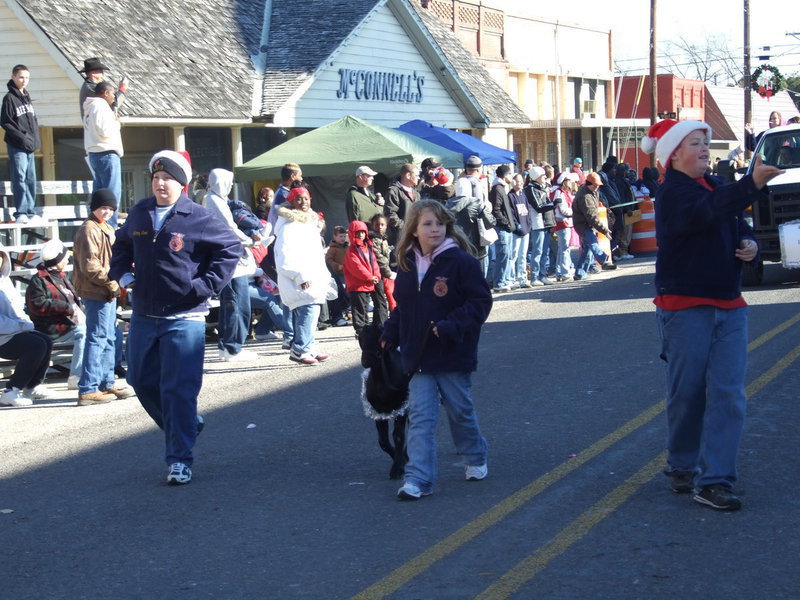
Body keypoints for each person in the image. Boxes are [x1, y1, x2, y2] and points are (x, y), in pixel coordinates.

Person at [640, 119, 782, 511]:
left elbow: (738, 224)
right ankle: (682, 464)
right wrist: (751, 183)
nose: (705, 149)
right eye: (695, 143)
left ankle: (716, 479)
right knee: (687, 394)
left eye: (705, 142)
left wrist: (750, 244)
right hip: (685, 306)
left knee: (729, 393)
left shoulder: (719, 188)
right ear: (673, 154)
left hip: (729, 305)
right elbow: (707, 212)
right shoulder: (672, 193)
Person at [110, 150, 241, 485]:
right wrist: (124, 276)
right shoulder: (140, 213)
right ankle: (184, 426)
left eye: (167, 178)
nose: (160, 183)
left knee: (178, 391)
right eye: (155, 178)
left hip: (186, 316)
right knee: (140, 380)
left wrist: (205, 286)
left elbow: (231, 247)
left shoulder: (197, 216)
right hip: (144, 314)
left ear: (181, 184)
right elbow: (121, 247)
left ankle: (180, 459)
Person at [380, 199, 492, 500]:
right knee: (421, 417)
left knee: (460, 411)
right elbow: (405, 306)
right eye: (427, 224)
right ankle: (418, 480)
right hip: (418, 354)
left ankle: (475, 455)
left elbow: (480, 303)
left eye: (440, 224)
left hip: (452, 351)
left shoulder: (462, 262)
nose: (435, 229)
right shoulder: (405, 263)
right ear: (414, 229)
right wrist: (390, 332)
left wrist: (451, 325)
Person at [72, 188, 133, 406]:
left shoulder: (104, 227)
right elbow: (90, 266)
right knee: (97, 337)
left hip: (107, 289)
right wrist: (112, 283)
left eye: (110, 208)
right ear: (94, 207)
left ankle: (107, 382)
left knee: (109, 336)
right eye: (103, 207)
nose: (107, 212)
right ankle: (88, 387)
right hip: (97, 290)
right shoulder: (89, 229)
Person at [204, 168, 259, 362]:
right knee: (237, 304)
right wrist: (251, 241)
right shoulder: (214, 200)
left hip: (229, 259)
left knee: (232, 304)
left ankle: (227, 346)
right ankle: (233, 347)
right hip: (231, 261)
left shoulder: (215, 199)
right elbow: (229, 228)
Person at [273, 187, 331, 365]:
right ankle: (300, 349)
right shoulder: (289, 226)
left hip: (311, 276)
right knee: (308, 311)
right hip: (301, 278)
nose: (303, 202)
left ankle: (309, 347)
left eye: (306, 198)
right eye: (298, 199)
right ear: (291, 202)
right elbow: (284, 256)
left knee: (311, 312)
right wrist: (299, 276)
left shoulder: (307, 224)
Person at [24, 239, 86, 390]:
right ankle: (75, 376)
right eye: (65, 257)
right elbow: (37, 305)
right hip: (52, 327)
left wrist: (78, 309)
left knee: (103, 330)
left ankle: (100, 372)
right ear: (57, 261)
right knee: (83, 333)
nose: (67, 259)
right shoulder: (38, 280)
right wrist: (67, 308)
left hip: (67, 323)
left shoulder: (61, 276)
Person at [0, 245, 54, 406]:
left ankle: (32, 385)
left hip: (13, 331)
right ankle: (11, 390)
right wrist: (21, 325)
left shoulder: (5, 280)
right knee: (35, 346)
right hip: (3, 336)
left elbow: (17, 309)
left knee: (46, 341)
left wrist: (23, 324)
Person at [2, 64, 41, 225]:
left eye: (27, 77)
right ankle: (21, 212)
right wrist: (23, 138)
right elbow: (6, 122)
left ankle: (31, 211)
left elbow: (33, 121)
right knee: (20, 177)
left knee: (31, 179)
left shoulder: (27, 97)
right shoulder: (9, 98)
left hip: (30, 146)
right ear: (13, 77)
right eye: (21, 77)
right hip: (17, 145)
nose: (24, 80)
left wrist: (35, 139)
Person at [83, 81, 123, 228]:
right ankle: (109, 228)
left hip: (95, 153)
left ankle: (97, 226)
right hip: (106, 153)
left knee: (99, 195)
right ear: (106, 93)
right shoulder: (100, 106)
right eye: (113, 93)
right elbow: (104, 131)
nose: (114, 97)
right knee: (111, 196)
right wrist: (116, 122)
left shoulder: (90, 107)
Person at [343, 219, 388, 337]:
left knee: (364, 307)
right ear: (352, 234)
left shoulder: (368, 247)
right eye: (357, 233)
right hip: (357, 284)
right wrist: (369, 277)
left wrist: (377, 275)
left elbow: (374, 263)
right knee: (359, 309)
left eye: (363, 232)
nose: (361, 235)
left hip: (367, 283)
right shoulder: (351, 250)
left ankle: (367, 330)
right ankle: (360, 331)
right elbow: (356, 266)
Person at [572, 172, 617, 280]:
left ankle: (579, 273)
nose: (597, 188)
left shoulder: (592, 192)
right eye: (595, 185)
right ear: (589, 183)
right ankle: (603, 260)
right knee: (593, 243)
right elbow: (591, 217)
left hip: (587, 224)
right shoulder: (585, 197)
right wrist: (604, 230)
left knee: (587, 251)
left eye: (598, 186)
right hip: (583, 225)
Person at [489, 165, 516, 292]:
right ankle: (499, 283)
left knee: (508, 255)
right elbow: (496, 210)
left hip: (507, 229)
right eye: (510, 174)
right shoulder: (497, 189)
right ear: (505, 175)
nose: (512, 176)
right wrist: (506, 223)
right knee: (503, 255)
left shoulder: (502, 188)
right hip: (501, 229)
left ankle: (506, 280)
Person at [384, 163, 420, 247]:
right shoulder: (393, 191)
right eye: (417, 175)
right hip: (399, 238)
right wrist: (407, 228)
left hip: (415, 237)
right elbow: (390, 214)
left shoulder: (416, 194)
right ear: (408, 175)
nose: (419, 177)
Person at [508, 173, 533, 288]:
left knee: (523, 256)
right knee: (513, 255)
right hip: (516, 232)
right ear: (513, 182)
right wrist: (517, 226)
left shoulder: (523, 195)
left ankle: (523, 279)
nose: (521, 183)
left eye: (521, 181)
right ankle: (512, 279)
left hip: (526, 230)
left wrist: (528, 225)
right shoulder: (510, 196)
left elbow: (527, 211)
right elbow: (511, 214)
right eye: (518, 181)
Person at [369, 214, 396, 310]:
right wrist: (388, 273)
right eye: (377, 225)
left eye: (382, 224)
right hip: (377, 273)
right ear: (372, 225)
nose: (379, 227)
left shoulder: (382, 238)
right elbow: (379, 258)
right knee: (380, 299)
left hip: (383, 272)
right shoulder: (373, 239)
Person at [324, 225, 350, 327]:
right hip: (338, 275)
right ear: (334, 237)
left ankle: (347, 312)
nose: (343, 239)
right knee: (340, 293)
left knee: (347, 294)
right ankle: (340, 315)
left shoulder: (347, 247)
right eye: (340, 236)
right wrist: (337, 266)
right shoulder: (332, 249)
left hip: (348, 274)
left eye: (344, 236)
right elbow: (328, 260)